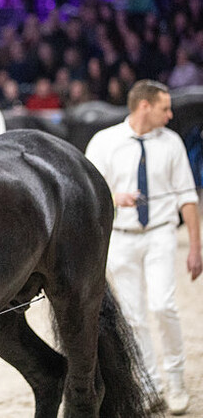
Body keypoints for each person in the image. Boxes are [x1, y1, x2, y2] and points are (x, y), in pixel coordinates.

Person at [85, 80, 201, 415]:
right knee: (134, 317)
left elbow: (187, 195)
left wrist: (195, 246)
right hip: (120, 236)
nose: (171, 114)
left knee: (163, 305)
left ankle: (176, 381)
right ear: (144, 106)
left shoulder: (172, 142)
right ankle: (150, 385)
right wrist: (113, 197)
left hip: (160, 233)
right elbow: (89, 191)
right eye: (165, 108)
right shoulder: (104, 142)